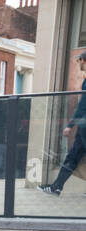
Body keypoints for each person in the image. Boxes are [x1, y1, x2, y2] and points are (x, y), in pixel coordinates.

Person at [41, 50, 86, 197]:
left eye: (79, 60)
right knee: (72, 157)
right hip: (82, 127)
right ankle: (56, 187)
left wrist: (69, 125)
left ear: (84, 61)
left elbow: (83, 106)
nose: (78, 63)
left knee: (72, 157)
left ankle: (56, 187)